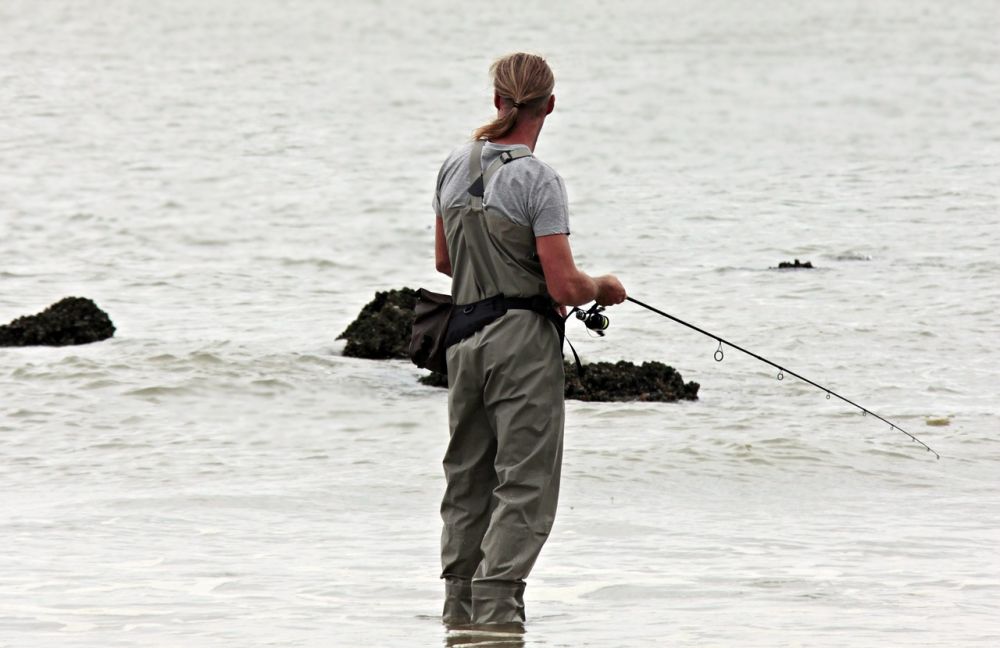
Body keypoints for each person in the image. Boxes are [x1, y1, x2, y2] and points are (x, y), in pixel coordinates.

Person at [432, 52, 626, 628]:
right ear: (550, 105)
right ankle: (496, 614)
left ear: (497, 100)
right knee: (525, 483)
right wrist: (605, 288)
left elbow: (446, 262)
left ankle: (458, 615)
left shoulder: (451, 165)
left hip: (462, 340)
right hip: (520, 343)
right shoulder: (538, 179)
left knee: (467, 480)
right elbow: (566, 283)